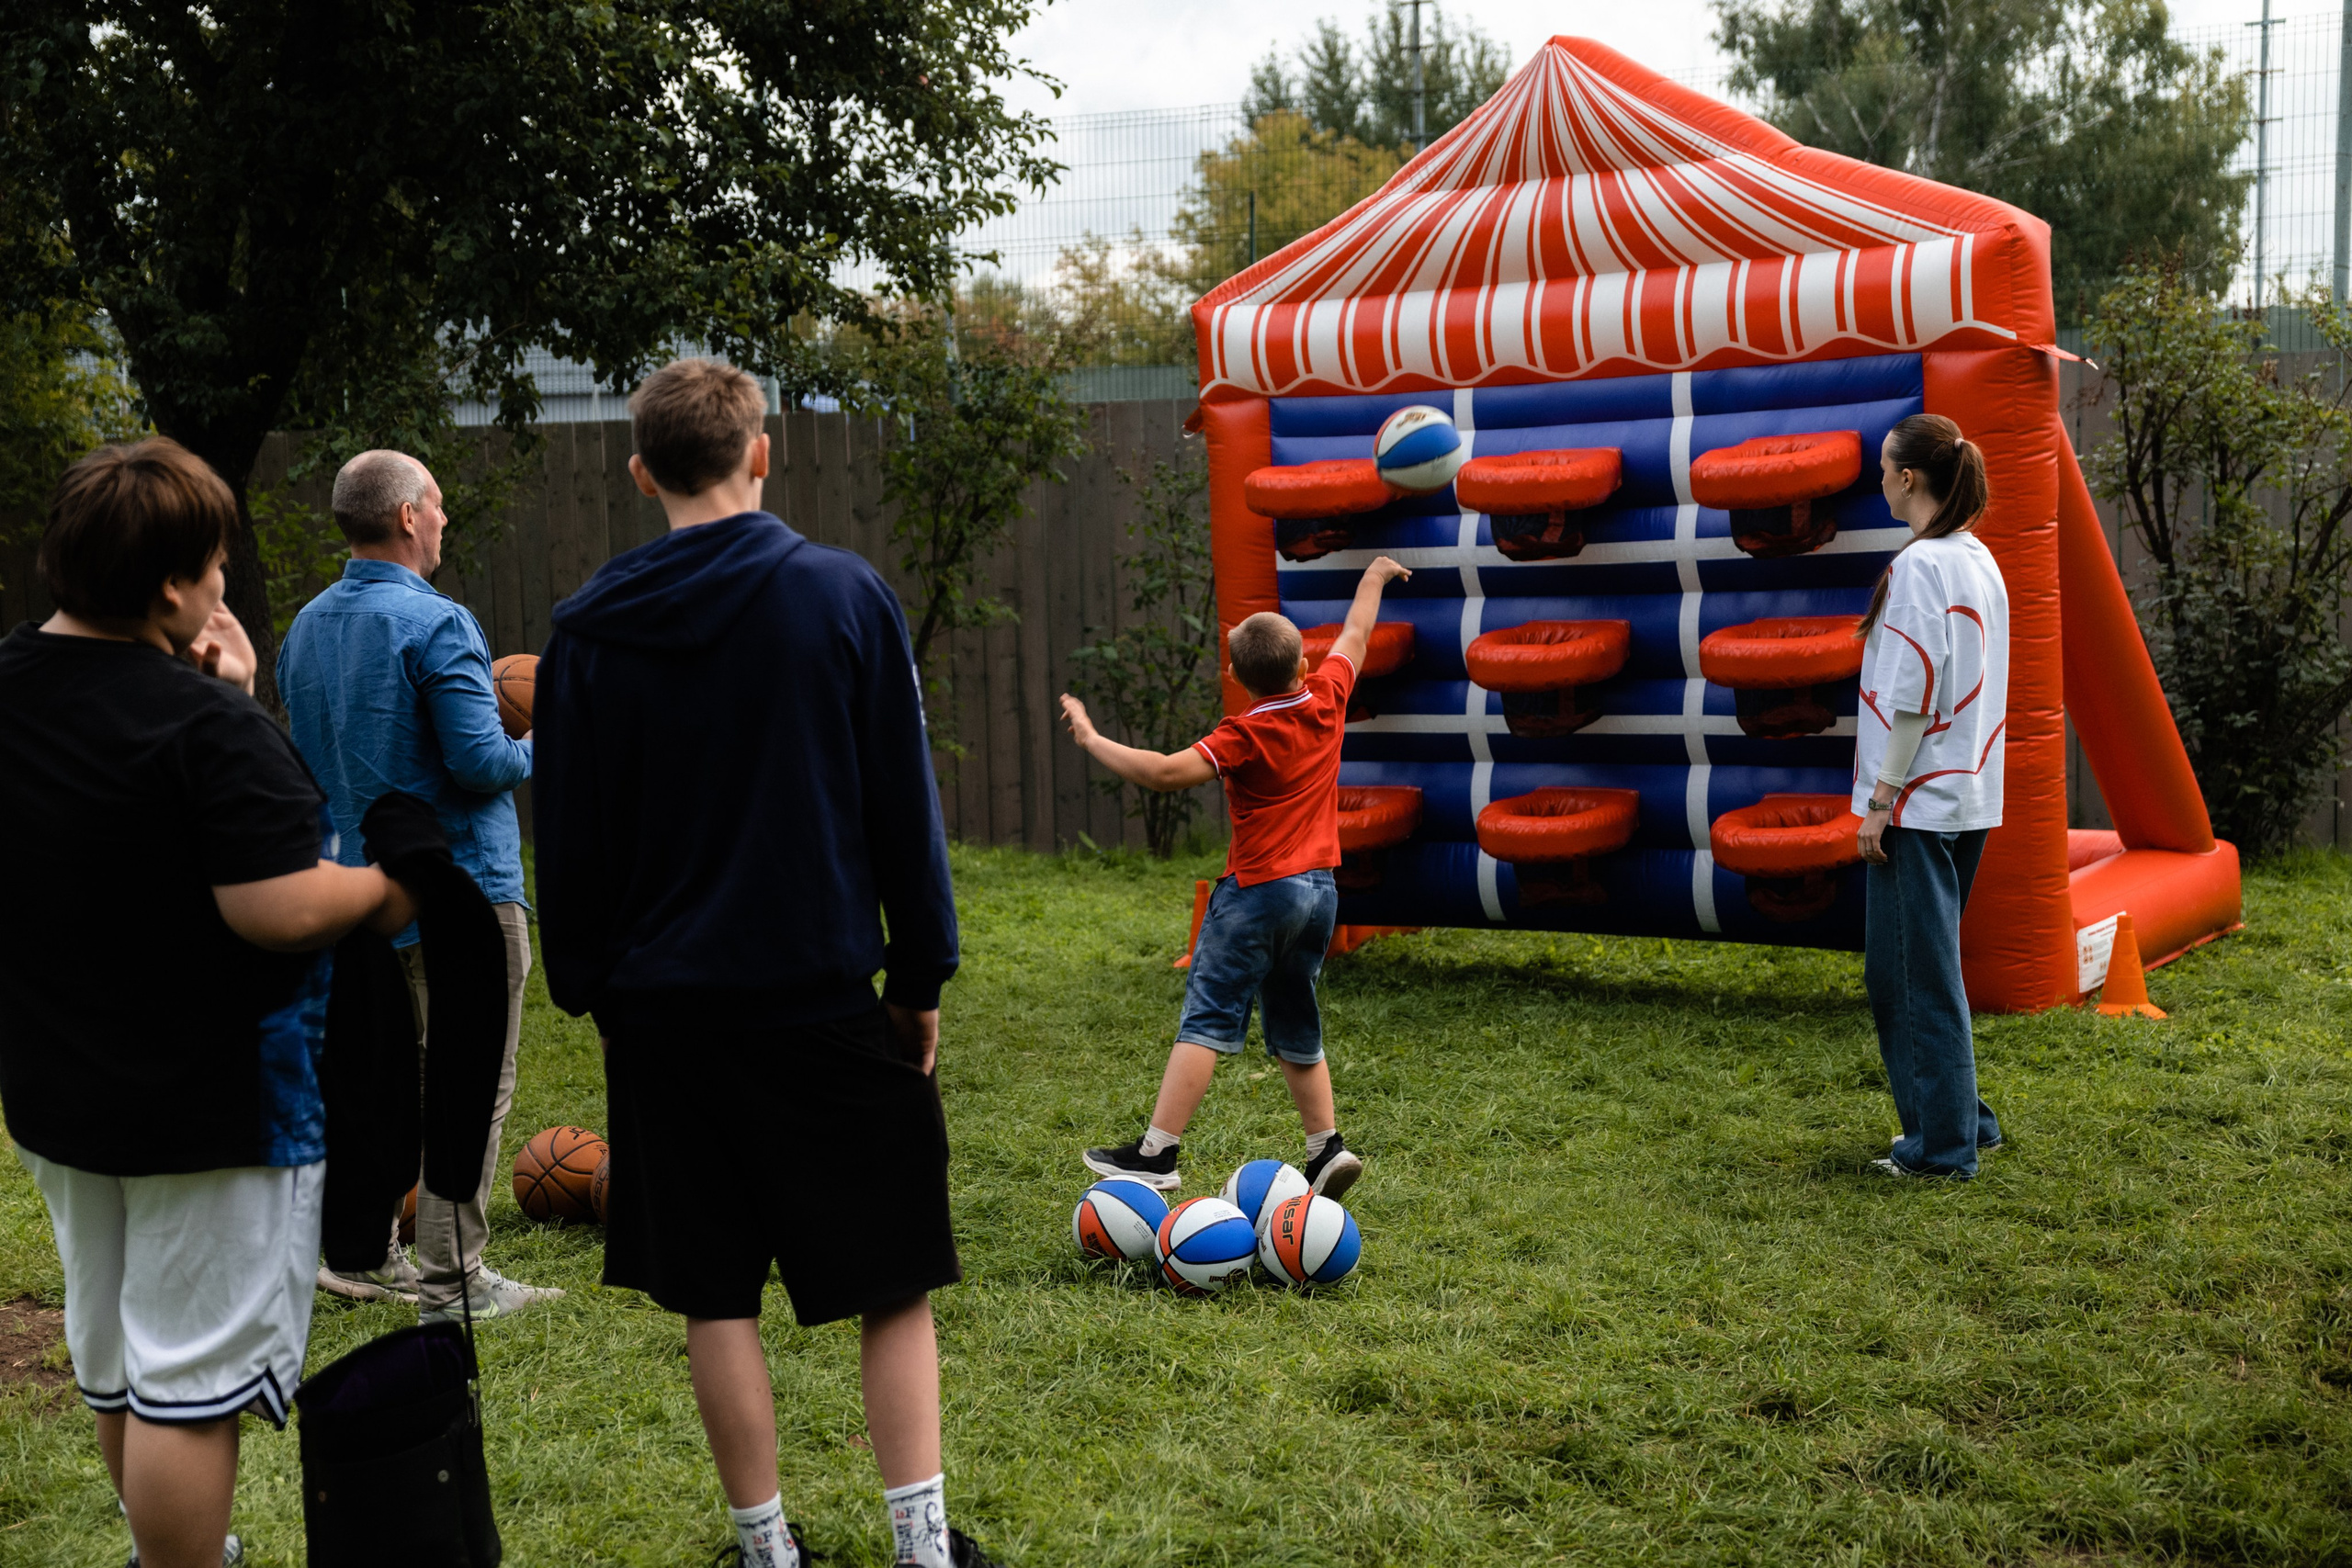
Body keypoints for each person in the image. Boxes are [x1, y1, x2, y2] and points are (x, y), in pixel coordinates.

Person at [532, 358, 989, 1568]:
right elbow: (907, 806)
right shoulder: (844, 597)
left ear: (640, 472)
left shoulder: (583, 632)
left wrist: (583, 979)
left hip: (665, 1018)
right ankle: (922, 1546)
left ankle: (766, 1547)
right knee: (892, 1277)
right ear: (763, 452)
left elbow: (566, 832)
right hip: (821, 997)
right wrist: (919, 978)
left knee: (714, 1289)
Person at [0, 439, 414, 1568]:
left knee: (119, 1359)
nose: (225, 584)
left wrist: (203, 691)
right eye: (218, 564)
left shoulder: (14, 681)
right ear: (176, 585)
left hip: (58, 1092)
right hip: (212, 1108)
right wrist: (383, 888)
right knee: (187, 1384)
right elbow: (273, 905)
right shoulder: (208, 733)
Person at [277, 449, 559, 1322]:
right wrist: (559, 736)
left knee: (374, 1082)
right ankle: (456, 1277)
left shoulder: (303, 629)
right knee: (471, 1079)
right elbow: (479, 761)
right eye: (435, 508)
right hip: (458, 891)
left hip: (353, 894)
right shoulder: (439, 623)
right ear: (406, 516)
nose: (441, 522)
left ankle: (363, 1253)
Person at [1061, 558, 1412, 1198]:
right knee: (1294, 1012)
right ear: (1304, 665)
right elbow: (1357, 633)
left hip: (1257, 893)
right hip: (1321, 894)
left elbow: (1165, 771)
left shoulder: (1244, 733)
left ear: (1236, 676)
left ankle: (1156, 1153)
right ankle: (1325, 1147)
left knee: (1209, 1016)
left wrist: (1090, 738)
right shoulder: (1329, 694)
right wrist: (1374, 576)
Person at [1853, 412, 2009, 1179]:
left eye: (1885, 467)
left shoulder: (1922, 566)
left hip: (1918, 801)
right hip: (1968, 796)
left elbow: (1914, 690)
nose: (1879, 479)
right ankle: (1964, 1122)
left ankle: (1942, 1150)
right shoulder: (1977, 558)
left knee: (1910, 975)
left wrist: (1882, 798)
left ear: (1908, 478)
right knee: (1926, 968)